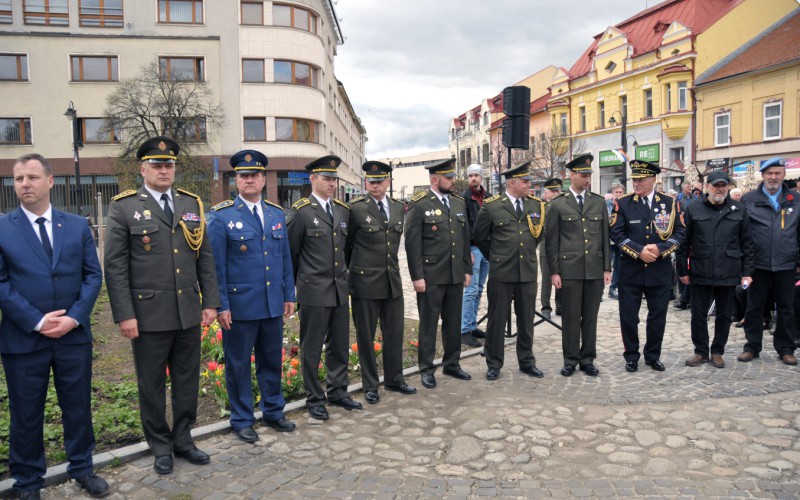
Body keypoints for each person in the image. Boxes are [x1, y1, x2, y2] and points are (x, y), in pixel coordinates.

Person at [104, 136, 220, 475]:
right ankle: (160, 445)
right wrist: (125, 314)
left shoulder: (190, 204)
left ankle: (184, 440)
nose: (163, 170)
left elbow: (205, 259)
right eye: (156, 165)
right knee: (151, 384)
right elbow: (115, 266)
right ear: (143, 169)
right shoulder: (124, 206)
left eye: (168, 164)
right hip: (147, 314)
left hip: (187, 311)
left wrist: (210, 301)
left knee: (187, 380)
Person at [0, 154, 107, 499]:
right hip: (23, 339)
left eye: (31, 177)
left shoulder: (76, 226)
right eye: (18, 179)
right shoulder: (3, 227)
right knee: (26, 412)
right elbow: (1, 283)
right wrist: (37, 320)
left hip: (72, 337)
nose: (24, 184)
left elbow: (93, 275)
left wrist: (73, 317)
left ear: (50, 181)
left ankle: (82, 467)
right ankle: (28, 480)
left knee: (77, 405)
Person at [207, 150, 296, 442]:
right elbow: (216, 267)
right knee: (238, 365)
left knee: (271, 361)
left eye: (254, 175)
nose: (249, 180)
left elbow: (284, 259)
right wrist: (221, 305)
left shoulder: (276, 213)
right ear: (236, 180)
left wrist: (288, 294)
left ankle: (273, 411)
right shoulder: (222, 217)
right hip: (241, 307)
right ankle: (242, 418)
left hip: (272, 304)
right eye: (243, 175)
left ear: (262, 179)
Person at [287, 155, 362, 420]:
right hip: (314, 290)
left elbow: (346, 249)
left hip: (340, 288)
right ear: (313, 179)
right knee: (312, 347)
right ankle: (314, 397)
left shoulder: (342, 210)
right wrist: (297, 286)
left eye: (334, 179)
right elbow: (291, 254)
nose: (332, 184)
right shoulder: (301, 212)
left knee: (340, 344)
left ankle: (338, 391)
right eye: (327, 179)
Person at [345, 160, 416, 405]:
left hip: (392, 281)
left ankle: (395, 379)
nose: (375, 186)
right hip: (365, 283)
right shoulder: (355, 209)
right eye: (371, 182)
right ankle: (370, 385)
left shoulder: (397, 208)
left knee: (394, 333)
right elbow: (347, 247)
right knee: (366, 337)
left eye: (379, 181)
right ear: (366, 183)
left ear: (388, 182)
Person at [610, 160, 685, 372]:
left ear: (654, 179)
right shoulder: (623, 203)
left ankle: (653, 355)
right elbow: (616, 233)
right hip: (630, 270)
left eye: (641, 179)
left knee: (657, 316)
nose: (637, 183)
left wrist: (661, 249)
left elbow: (680, 233)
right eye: (634, 179)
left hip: (658, 270)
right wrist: (638, 251)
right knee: (628, 317)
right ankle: (631, 356)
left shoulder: (669, 203)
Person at [405, 158, 472, 389]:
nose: (453, 181)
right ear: (435, 179)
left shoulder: (457, 202)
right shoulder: (419, 203)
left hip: (454, 274)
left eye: (452, 177)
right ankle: (426, 368)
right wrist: (417, 276)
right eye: (448, 178)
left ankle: (452, 363)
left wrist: (467, 269)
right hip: (431, 275)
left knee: (453, 323)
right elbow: (412, 244)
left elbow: (465, 238)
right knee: (429, 324)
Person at [676, 170, 754, 369]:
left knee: (724, 315)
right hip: (701, 268)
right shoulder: (694, 208)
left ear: (727, 187)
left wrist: (747, 272)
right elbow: (683, 242)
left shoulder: (738, 209)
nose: (720, 189)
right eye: (716, 185)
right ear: (707, 187)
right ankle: (700, 351)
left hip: (729, 269)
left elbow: (747, 243)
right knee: (698, 314)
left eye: (723, 185)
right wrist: (682, 270)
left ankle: (717, 351)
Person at [474, 161, 545, 380]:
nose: (529, 185)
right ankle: (494, 363)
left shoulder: (535, 205)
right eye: (525, 182)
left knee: (526, 320)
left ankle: (526, 361)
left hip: (527, 273)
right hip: (501, 273)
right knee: (497, 320)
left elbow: (538, 235)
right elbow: (479, 237)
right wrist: (497, 257)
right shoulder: (492, 206)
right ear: (512, 183)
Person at [545, 154, 611, 377]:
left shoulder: (598, 202)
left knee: (590, 317)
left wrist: (607, 268)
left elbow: (604, 236)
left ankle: (587, 358)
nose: (587, 179)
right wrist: (554, 271)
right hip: (569, 270)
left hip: (593, 268)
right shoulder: (558, 205)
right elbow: (551, 242)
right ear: (571, 176)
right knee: (571, 317)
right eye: (583, 175)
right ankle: (570, 359)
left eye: (589, 175)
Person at [738, 157, 800, 365]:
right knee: (754, 307)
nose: (773, 177)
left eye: (777, 173)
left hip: (787, 263)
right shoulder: (749, 199)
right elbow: (741, 233)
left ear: (783, 175)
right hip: (758, 263)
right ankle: (752, 346)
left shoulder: (795, 199)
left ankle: (785, 348)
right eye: (769, 173)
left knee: (786, 308)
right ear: (763, 175)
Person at [460, 164, 490, 347]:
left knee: (479, 289)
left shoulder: (489, 198)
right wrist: (466, 251)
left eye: (476, 175)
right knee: (470, 290)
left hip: (486, 249)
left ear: (481, 177)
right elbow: (462, 228)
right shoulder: (463, 198)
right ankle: (464, 330)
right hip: (473, 249)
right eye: (470, 175)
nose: (473, 178)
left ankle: (472, 325)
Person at [539, 178, 563, 319]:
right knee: (547, 279)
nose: (554, 194)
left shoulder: (563, 205)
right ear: (545, 193)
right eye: (551, 191)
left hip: (561, 248)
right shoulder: (541, 207)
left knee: (561, 277)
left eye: (556, 191)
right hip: (546, 247)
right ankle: (546, 307)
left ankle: (560, 305)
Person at [607, 183, 625, 300]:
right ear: (612, 193)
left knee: (618, 265)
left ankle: (613, 288)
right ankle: (599, 291)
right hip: (608, 240)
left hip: (619, 240)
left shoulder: (625, 205)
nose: (618, 194)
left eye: (620, 192)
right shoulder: (606, 205)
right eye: (616, 192)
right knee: (605, 265)